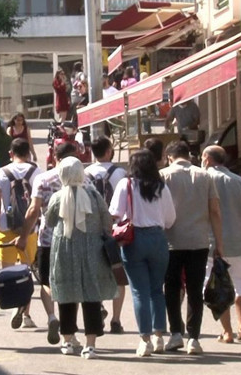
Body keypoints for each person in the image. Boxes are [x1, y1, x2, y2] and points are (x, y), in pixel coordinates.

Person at [45, 157, 115, 359]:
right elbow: (107, 220)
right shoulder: (93, 195)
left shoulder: (57, 197)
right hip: (92, 249)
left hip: (64, 249)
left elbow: (49, 221)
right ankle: (90, 344)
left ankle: (67, 340)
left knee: (66, 293)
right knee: (91, 294)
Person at [110, 149, 176, 357]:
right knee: (157, 289)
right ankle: (158, 336)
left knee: (140, 291)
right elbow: (170, 218)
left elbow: (115, 213)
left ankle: (144, 339)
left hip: (134, 239)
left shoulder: (126, 184)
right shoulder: (161, 187)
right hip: (158, 238)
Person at [160, 140, 223, 355]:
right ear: (189, 155)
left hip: (171, 241)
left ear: (170, 156)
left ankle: (175, 333)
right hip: (199, 241)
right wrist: (219, 243)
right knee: (196, 289)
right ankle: (194, 338)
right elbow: (215, 210)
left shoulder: (163, 175)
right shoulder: (205, 176)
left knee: (172, 287)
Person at [17, 142, 78, 347]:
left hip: (47, 239)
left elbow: (33, 210)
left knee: (47, 282)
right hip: (74, 239)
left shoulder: (43, 179)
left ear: (55, 158)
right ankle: (70, 334)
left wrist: (24, 236)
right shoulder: (83, 178)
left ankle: (52, 317)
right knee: (69, 284)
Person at [201, 145, 241, 343]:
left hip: (211, 244)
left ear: (208, 160)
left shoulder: (202, 181)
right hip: (239, 243)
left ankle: (227, 331)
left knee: (218, 286)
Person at [0, 138, 41, 328]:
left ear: (11, 154)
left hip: (6, 227)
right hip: (29, 228)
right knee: (27, 270)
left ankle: (14, 304)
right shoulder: (36, 172)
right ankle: (26, 314)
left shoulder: (1, 173)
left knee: (9, 270)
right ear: (28, 153)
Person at [85, 137, 128, 334]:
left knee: (96, 272)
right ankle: (116, 320)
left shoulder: (85, 174)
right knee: (119, 274)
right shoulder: (121, 173)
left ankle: (99, 306)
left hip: (93, 229)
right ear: (109, 151)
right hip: (117, 229)